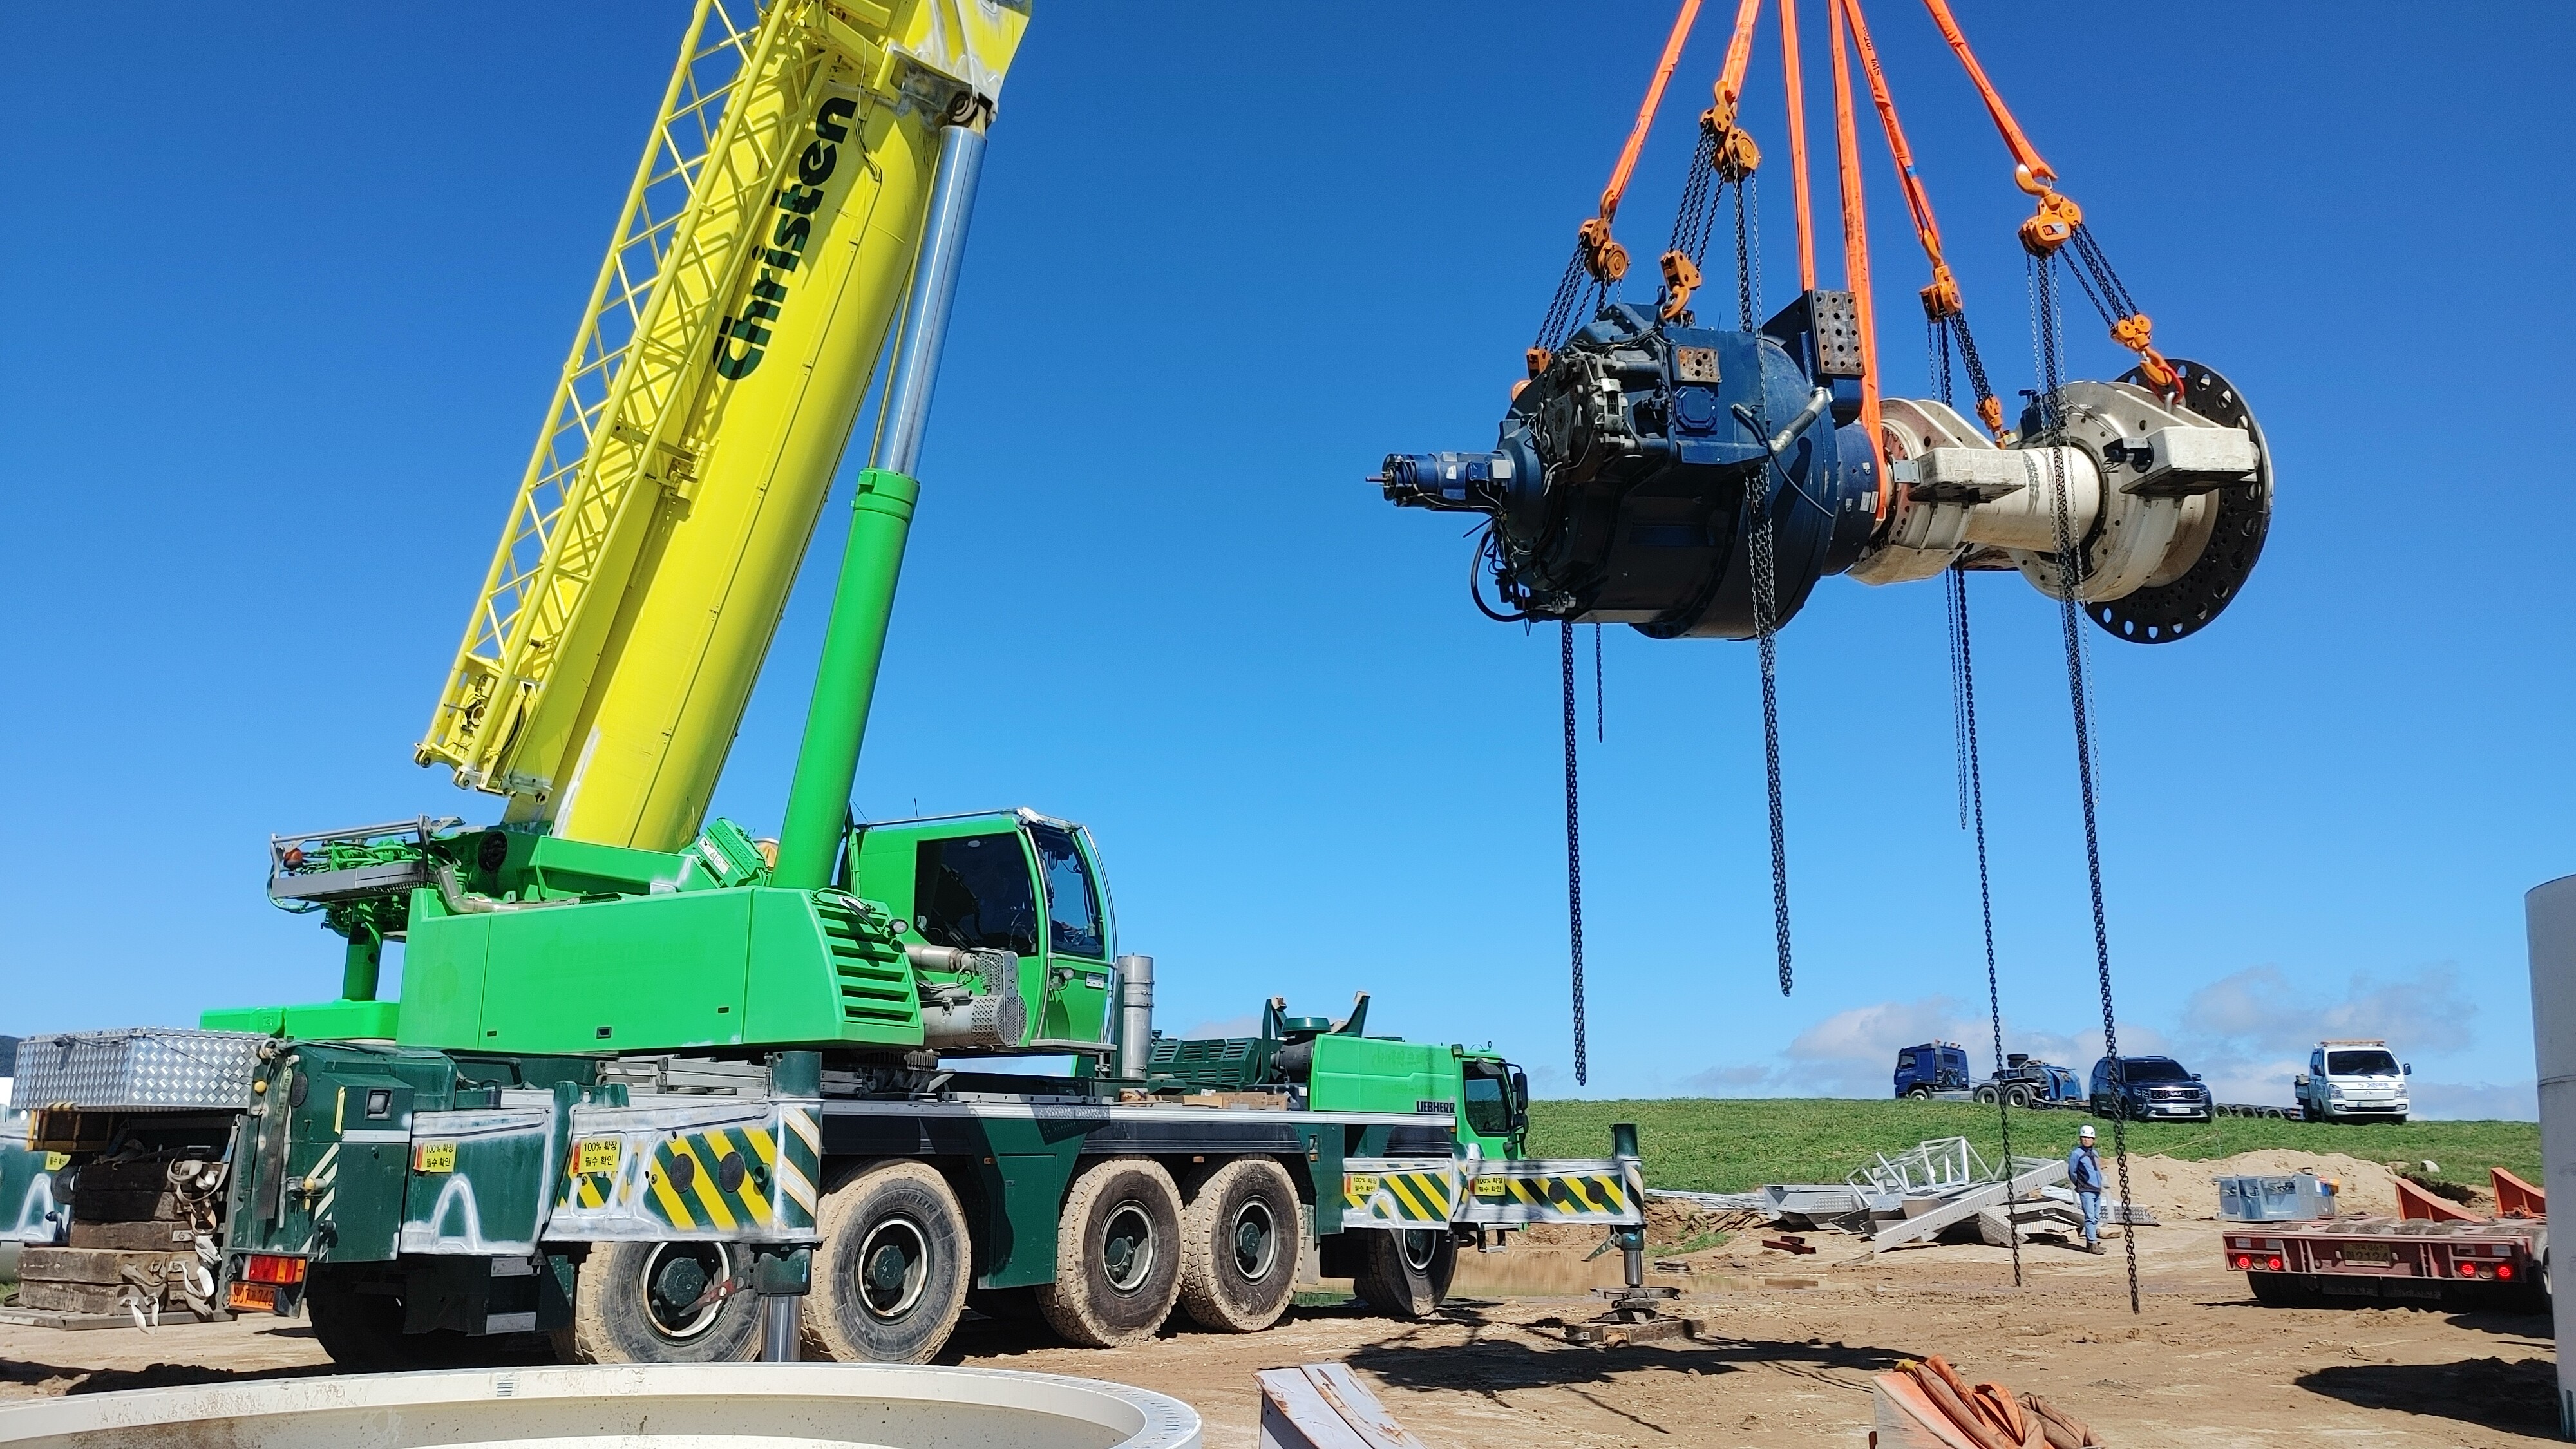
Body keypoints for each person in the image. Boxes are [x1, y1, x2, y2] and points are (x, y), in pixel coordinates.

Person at [2066, 1124, 2107, 1254]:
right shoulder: (2076, 1154)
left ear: (2093, 1139)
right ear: (2080, 1139)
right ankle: (2093, 1244)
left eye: (2089, 1138)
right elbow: (2072, 1172)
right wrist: (2079, 1185)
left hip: (2096, 1190)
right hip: (2086, 1190)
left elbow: (2097, 1171)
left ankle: (2091, 1242)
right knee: (2090, 1217)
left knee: (2095, 1217)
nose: (2086, 1140)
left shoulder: (2095, 1153)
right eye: (2084, 1137)